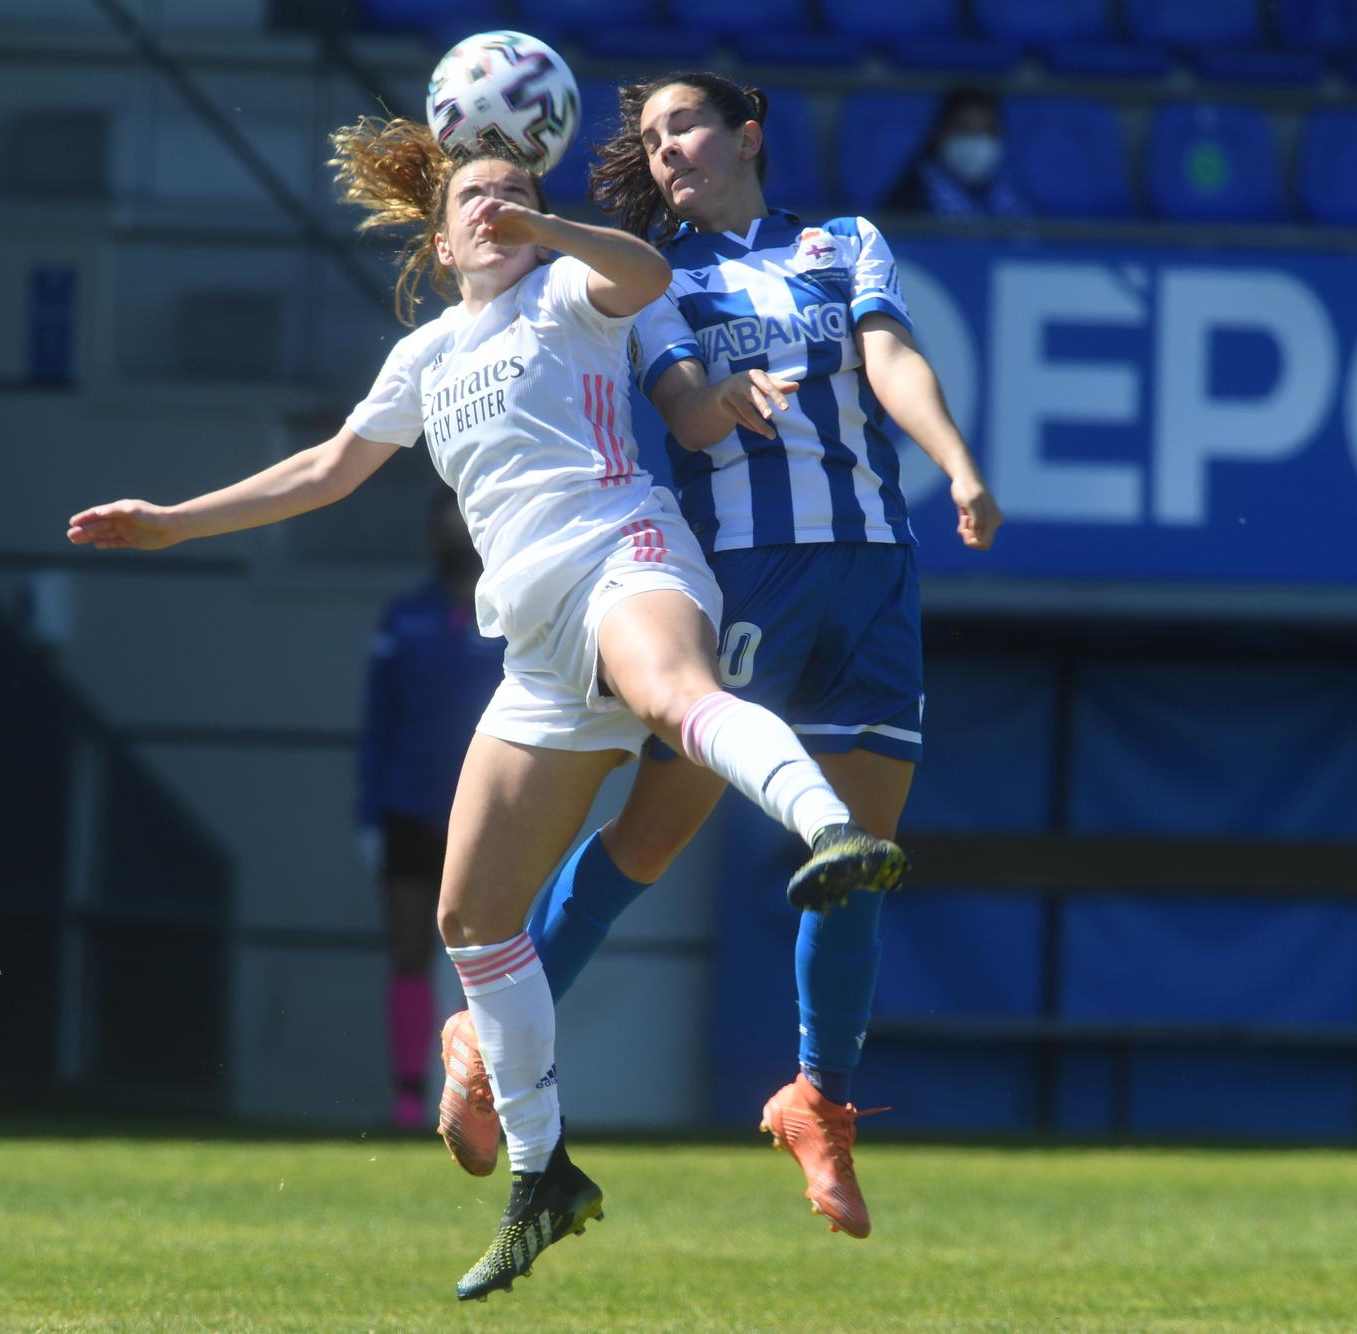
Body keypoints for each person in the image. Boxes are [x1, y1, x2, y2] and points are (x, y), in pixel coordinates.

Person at [66, 117, 908, 1301]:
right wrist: (173, 520)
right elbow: (324, 471)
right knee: (471, 918)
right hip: (531, 641)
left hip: (625, 553)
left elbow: (646, 272)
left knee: (680, 697)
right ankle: (543, 1172)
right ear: (439, 227)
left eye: (516, 188)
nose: (496, 205)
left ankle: (831, 833)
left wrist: (548, 221)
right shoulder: (423, 356)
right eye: (477, 193)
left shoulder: (570, 285)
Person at [435, 72, 1003, 1241]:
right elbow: (684, 412)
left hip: (873, 572)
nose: (664, 151)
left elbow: (889, 358)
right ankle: (487, 1031)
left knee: (861, 852)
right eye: (647, 139)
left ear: (747, 134)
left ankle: (816, 1099)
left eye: (682, 125)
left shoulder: (843, 241)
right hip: (747, 572)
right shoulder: (647, 275)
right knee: (647, 839)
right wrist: (718, 397)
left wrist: (953, 460)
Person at [357, 488, 505, 1129]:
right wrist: (367, 815)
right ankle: (408, 1093)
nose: (455, 538)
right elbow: (375, 724)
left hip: (489, 814)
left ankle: (489, 1094)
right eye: (445, 525)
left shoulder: (508, 616)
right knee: (410, 951)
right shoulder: (402, 618)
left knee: (494, 957)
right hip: (409, 809)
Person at [884, 87, 1031, 219]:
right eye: (965, 130)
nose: (976, 142)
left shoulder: (1007, 195)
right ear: (939, 134)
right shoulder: (908, 201)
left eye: (987, 131)